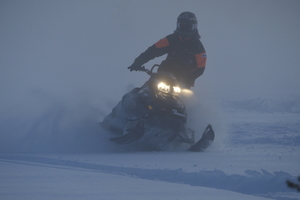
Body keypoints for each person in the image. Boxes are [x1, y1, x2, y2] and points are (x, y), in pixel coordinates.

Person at [128, 11, 207, 89]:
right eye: (182, 26)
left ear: (194, 27)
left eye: (188, 27)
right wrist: (139, 61)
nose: (185, 29)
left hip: (181, 82)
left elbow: (200, 68)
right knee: (145, 91)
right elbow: (153, 50)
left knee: (184, 100)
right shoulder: (171, 39)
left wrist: (185, 78)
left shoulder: (198, 47)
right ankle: (129, 100)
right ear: (178, 25)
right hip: (163, 75)